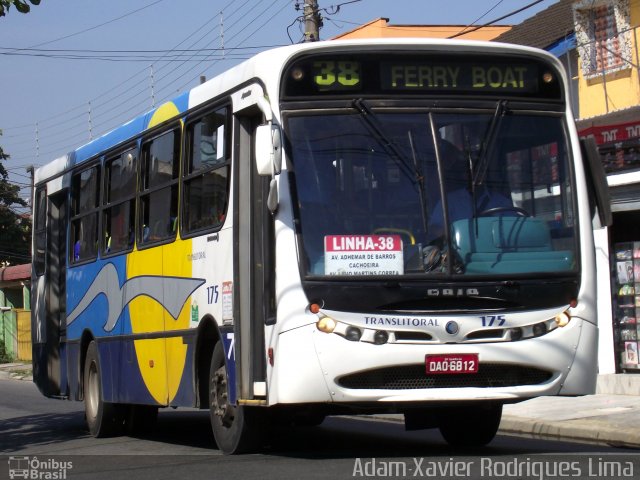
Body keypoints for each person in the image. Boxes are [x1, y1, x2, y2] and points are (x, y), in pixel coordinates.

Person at [427, 141, 514, 241]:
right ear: (465, 174)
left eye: (480, 170)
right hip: (457, 254)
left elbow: (512, 231)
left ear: (485, 173)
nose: (476, 175)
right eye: (471, 170)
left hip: (495, 253)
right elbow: (435, 229)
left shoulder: (501, 203)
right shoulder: (448, 202)